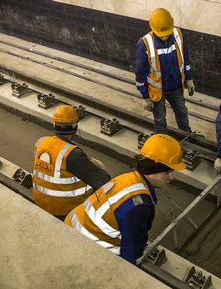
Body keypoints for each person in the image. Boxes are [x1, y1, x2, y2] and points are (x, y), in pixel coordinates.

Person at [65, 134, 186, 265]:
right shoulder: (139, 206)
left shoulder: (128, 178)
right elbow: (131, 255)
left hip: (70, 227)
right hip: (86, 245)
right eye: (167, 171)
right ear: (153, 168)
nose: (171, 177)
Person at [32, 105, 111, 220]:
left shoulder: (41, 142)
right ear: (75, 127)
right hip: (64, 210)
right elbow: (103, 181)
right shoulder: (73, 154)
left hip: (41, 201)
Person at [135, 7, 195, 133]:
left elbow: (186, 60)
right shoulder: (145, 44)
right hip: (157, 91)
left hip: (175, 86)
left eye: (167, 33)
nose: (165, 36)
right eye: (161, 35)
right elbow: (140, 75)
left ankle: (186, 136)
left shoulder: (178, 35)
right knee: (160, 119)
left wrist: (189, 79)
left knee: (182, 112)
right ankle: (162, 140)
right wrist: (145, 97)